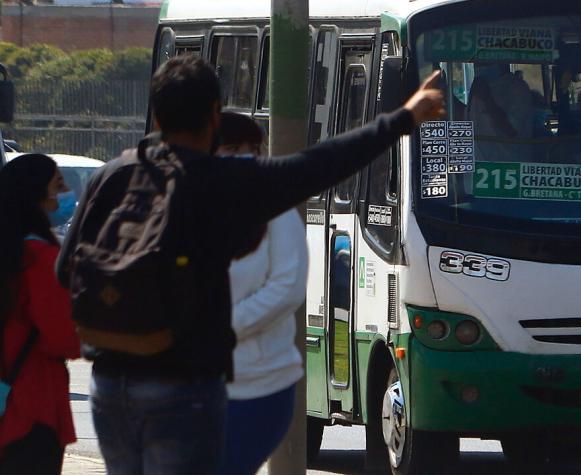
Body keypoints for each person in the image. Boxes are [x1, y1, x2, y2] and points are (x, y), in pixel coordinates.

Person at [55, 55, 444, 474]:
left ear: (156, 113)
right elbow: (320, 164)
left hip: (109, 383)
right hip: (185, 386)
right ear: (213, 116)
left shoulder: (113, 175)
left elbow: (66, 270)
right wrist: (404, 118)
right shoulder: (222, 181)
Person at [215, 112, 306, 475]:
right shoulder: (183, 203)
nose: (247, 157)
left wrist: (220, 328)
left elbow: (287, 287)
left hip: (258, 385)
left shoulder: (277, 209)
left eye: (255, 148)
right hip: (192, 384)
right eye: (233, 148)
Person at [0, 154, 80, 475]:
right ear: (36, 193)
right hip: (30, 406)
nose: (64, 193)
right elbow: (67, 340)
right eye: (58, 184)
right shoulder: (41, 258)